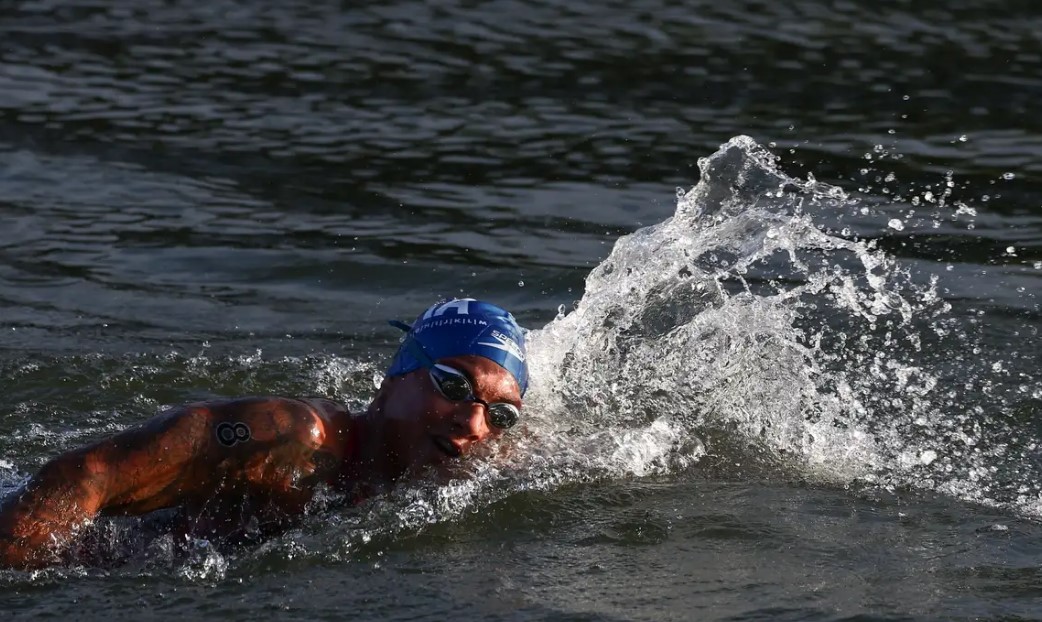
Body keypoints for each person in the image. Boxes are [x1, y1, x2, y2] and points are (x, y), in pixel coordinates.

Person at [0, 299, 529, 569]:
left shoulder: (471, 467)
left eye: (500, 414)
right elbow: (88, 475)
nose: (473, 422)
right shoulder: (294, 439)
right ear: (396, 377)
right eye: (453, 385)